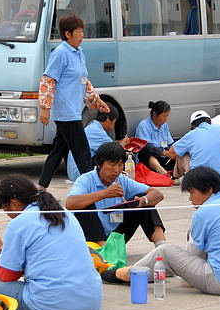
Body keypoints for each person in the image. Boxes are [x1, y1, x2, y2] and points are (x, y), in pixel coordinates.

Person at [104, 166, 220, 296]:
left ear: (208, 190)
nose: (190, 198)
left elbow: (191, 261)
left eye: (192, 193)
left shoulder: (204, 212)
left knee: (166, 252)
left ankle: (126, 274)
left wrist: (183, 273)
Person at [0, 175, 103, 310]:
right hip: (92, 302)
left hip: (47, 307)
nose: (8, 215)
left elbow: (7, 275)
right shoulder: (66, 215)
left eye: (6, 209)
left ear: (14, 204)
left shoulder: (19, 223)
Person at [37, 15, 110, 188]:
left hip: (74, 110)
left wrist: (96, 99)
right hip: (66, 111)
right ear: (67, 34)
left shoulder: (79, 53)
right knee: (82, 152)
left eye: (82, 32)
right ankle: (92, 187)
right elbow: (48, 80)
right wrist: (45, 108)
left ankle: (41, 187)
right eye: (78, 32)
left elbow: (83, 80)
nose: (81, 35)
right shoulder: (61, 53)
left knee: (59, 150)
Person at [65, 141, 166, 247]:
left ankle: (161, 247)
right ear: (99, 164)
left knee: (145, 202)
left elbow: (157, 194)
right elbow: (70, 203)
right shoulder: (86, 180)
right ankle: (105, 251)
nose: (116, 170)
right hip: (90, 237)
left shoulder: (121, 180)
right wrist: (105, 193)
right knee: (85, 208)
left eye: (120, 165)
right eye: (112, 165)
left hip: (115, 234)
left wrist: (142, 201)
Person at [165, 110, 220, 187]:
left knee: (182, 153)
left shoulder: (191, 135)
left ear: (193, 126)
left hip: (199, 184)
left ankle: (175, 177)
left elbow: (172, 151)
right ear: (210, 122)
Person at [65, 104, 129, 182]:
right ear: (108, 119)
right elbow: (115, 150)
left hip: (75, 171)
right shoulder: (97, 131)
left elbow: (111, 143)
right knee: (111, 158)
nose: (113, 126)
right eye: (114, 123)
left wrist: (120, 142)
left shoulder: (94, 127)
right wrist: (124, 143)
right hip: (79, 173)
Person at [134, 100, 176, 175]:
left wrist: (174, 152)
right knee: (146, 149)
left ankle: (176, 173)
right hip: (149, 161)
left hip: (163, 159)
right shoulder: (143, 125)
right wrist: (165, 153)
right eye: (164, 116)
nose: (165, 119)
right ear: (154, 114)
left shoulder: (164, 125)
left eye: (167, 116)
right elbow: (147, 147)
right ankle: (161, 171)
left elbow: (170, 143)